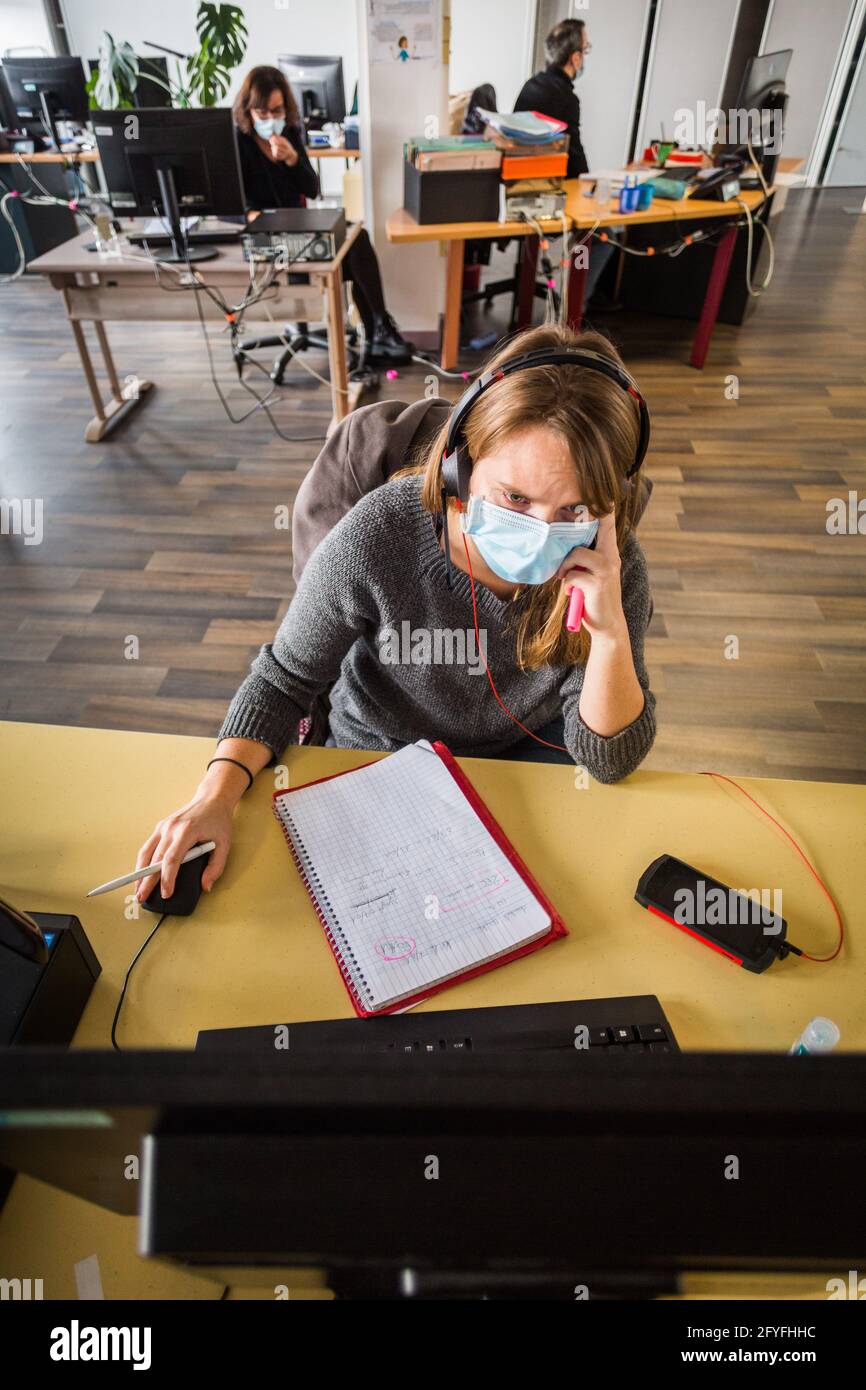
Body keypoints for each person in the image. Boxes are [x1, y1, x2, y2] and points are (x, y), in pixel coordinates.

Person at [135, 322, 657, 901]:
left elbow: (610, 762)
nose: (540, 532)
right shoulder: (378, 534)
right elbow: (284, 683)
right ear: (462, 462)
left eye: (574, 507)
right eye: (515, 498)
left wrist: (609, 636)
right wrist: (214, 799)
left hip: (521, 774)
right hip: (377, 760)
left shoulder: (608, 562)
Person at [232, 64, 415, 365]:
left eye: (276, 111)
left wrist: (292, 159)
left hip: (298, 230)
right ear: (249, 110)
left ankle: (378, 330)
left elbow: (313, 188)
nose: (270, 119)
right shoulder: (238, 141)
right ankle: (376, 336)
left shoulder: (290, 131)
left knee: (358, 240)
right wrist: (250, 215)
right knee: (355, 257)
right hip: (264, 241)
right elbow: (230, 203)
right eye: (262, 113)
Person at [515, 17, 616, 304]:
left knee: (591, 231)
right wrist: (592, 185)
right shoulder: (564, 97)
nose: (585, 56)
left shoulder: (533, 84)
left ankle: (574, 294)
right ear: (575, 57)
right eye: (586, 48)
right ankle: (574, 303)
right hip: (547, 192)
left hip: (523, 186)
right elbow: (574, 155)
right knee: (600, 235)